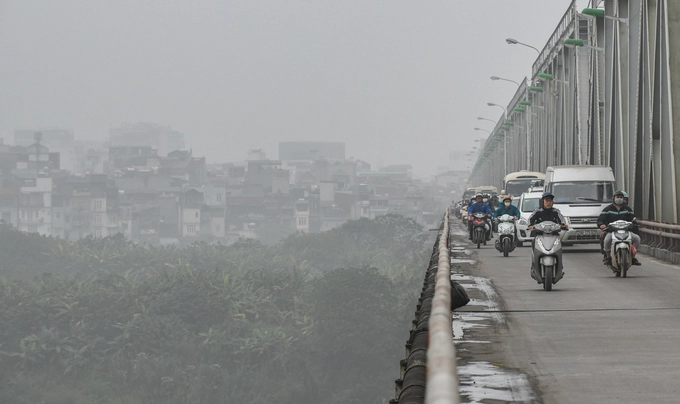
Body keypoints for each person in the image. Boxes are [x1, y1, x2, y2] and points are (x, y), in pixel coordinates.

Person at [597, 190, 641, 266]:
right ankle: (608, 257)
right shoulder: (608, 209)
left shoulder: (628, 209)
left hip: (626, 231)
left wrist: (634, 224)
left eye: (621, 197)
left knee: (637, 238)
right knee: (607, 240)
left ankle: (633, 258)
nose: (619, 199)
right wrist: (601, 225)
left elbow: (633, 219)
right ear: (614, 198)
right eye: (617, 197)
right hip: (612, 231)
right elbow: (600, 220)